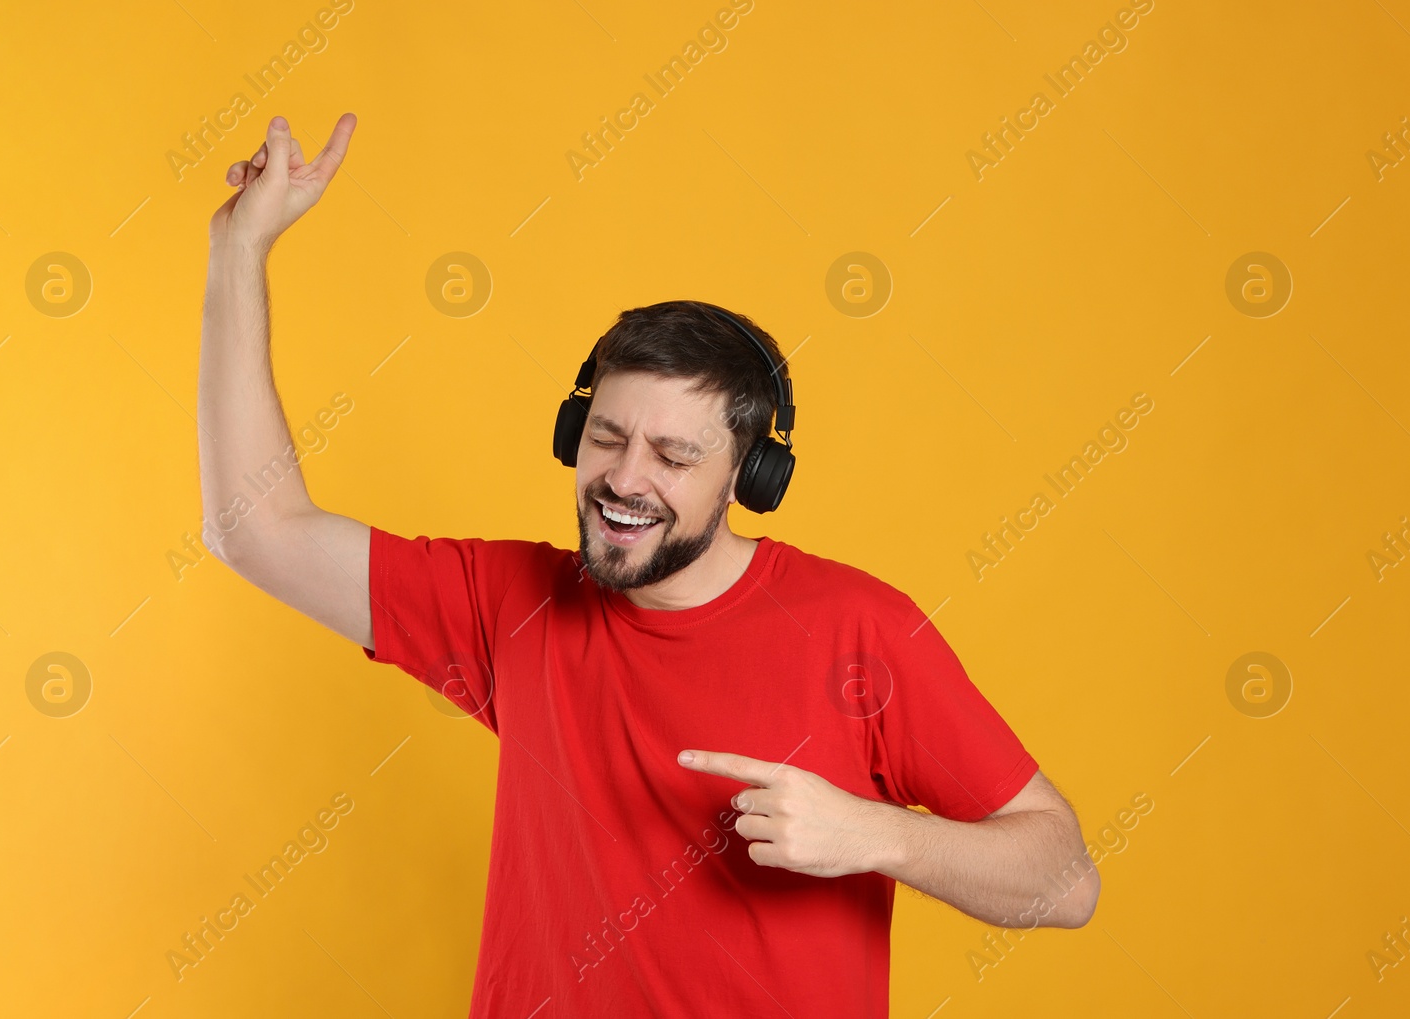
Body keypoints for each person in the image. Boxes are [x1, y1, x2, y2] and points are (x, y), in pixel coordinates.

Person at [201, 113, 1100, 1018]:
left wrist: (880, 837)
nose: (625, 479)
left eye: (673, 457)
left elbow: (1065, 880)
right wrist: (238, 253)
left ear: (751, 477)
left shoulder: (856, 627)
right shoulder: (508, 602)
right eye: (606, 437)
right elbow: (257, 528)